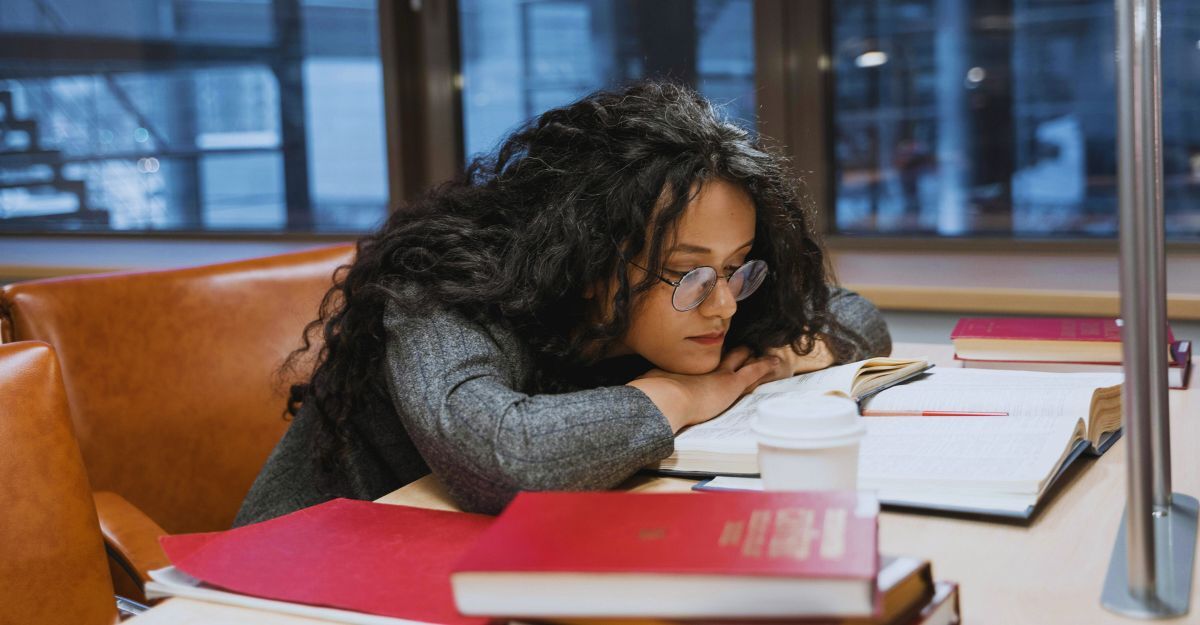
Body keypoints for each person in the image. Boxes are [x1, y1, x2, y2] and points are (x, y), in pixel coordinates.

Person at [234, 81, 890, 525]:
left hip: (477, 561)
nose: (723, 306)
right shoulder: (441, 287)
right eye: (688, 275)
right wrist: (684, 395)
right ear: (590, 259)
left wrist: (774, 358)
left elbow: (855, 316)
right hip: (292, 581)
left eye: (737, 268)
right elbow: (503, 456)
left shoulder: (709, 305)